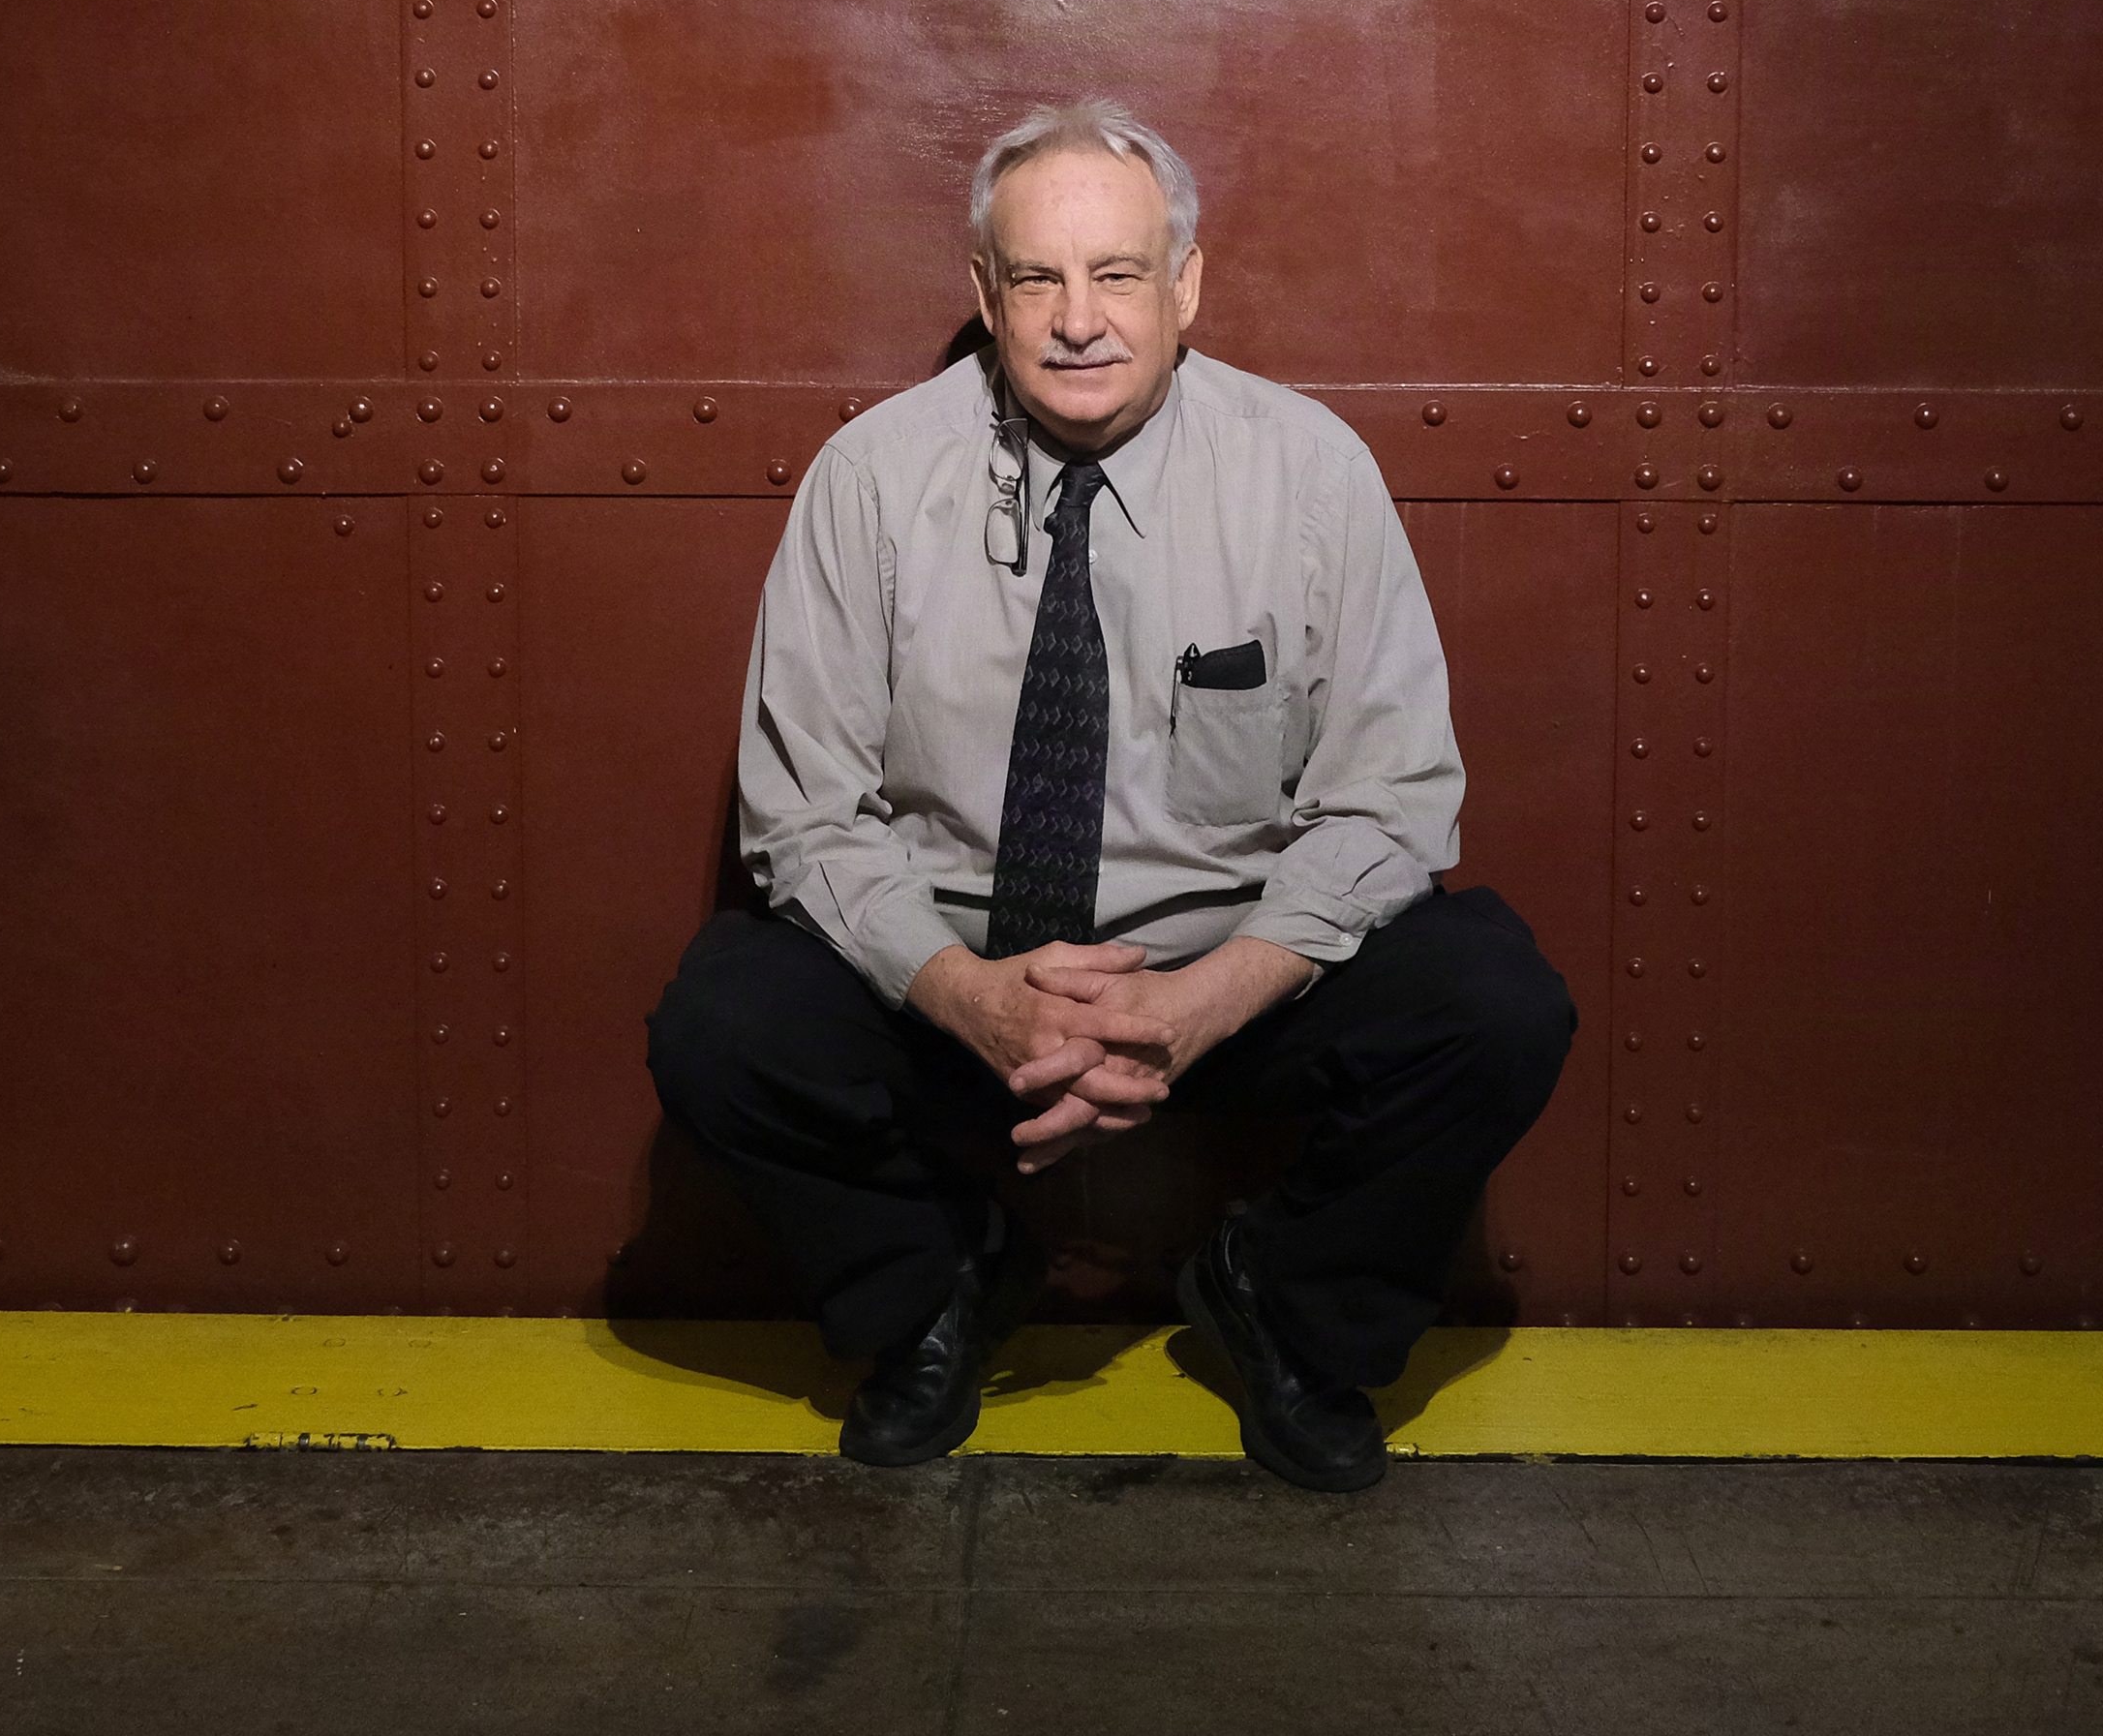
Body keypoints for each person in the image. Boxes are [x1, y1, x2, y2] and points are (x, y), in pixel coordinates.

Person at [646, 100, 1574, 1492]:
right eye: (1038, 279)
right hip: (952, 970)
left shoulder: (1310, 476)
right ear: (986, 296)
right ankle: (941, 1283)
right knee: (720, 1028)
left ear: (1187, 286)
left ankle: (1284, 1301)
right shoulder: (875, 481)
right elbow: (805, 818)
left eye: (1119, 274)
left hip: (1222, 976)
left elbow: (1391, 804)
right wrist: (974, 995)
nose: (1079, 319)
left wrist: (1200, 1005)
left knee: (1497, 1005)